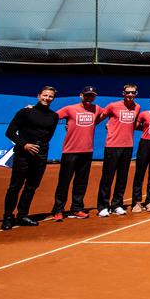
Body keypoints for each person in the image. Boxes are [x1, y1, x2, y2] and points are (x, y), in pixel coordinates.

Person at [1, 85, 59, 229]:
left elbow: (48, 135)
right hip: (23, 154)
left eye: (50, 96)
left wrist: (41, 148)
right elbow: (10, 132)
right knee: (15, 186)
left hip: (40, 155)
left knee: (31, 187)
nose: (47, 98)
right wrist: (25, 144)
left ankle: (22, 215)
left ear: (53, 99)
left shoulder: (54, 116)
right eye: (45, 95)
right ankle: (8, 217)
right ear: (38, 96)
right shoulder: (25, 112)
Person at [52, 86, 102, 220]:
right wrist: (33, 109)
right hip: (70, 151)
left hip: (87, 151)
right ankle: (58, 210)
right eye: (87, 95)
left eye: (92, 96)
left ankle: (77, 208)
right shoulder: (70, 109)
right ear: (81, 95)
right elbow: (52, 117)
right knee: (64, 181)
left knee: (81, 182)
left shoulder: (96, 109)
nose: (89, 98)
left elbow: (104, 115)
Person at [96, 84, 142, 217]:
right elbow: (99, 118)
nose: (130, 95)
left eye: (133, 92)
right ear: (123, 93)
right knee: (107, 177)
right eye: (128, 92)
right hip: (112, 146)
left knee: (122, 177)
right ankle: (103, 206)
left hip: (128, 146)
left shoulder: (137, 107)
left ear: (136, 94)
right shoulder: (113, 106)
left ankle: (117, 204)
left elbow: (133, 125)